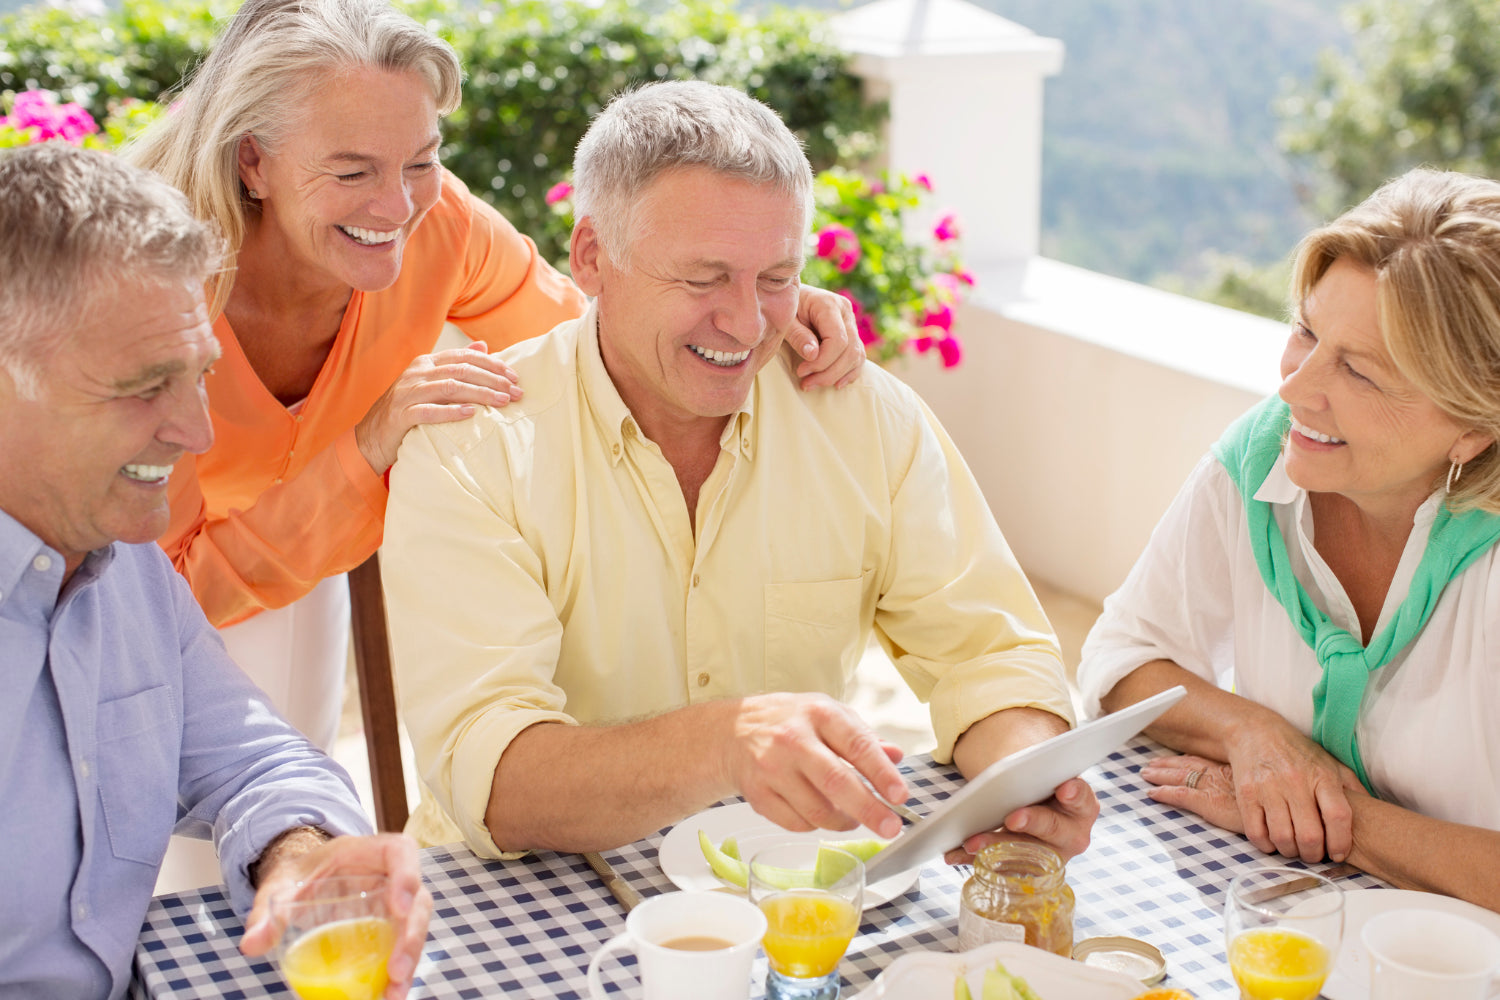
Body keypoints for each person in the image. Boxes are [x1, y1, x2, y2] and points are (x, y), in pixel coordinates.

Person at [381, 80, 1098, 864]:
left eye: (777, 277)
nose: (747, 323)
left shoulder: (865, 420)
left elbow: (991, 655)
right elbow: (493, 779)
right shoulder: (471, 446)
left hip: (780, 891)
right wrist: (724, 743)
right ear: (592, 257)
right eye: (703, 278)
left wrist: (1024, 779)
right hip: (518, 902)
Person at [124, 0, 866, 751]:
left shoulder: (442, 226)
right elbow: (161, 592)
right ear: (254, 162)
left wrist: (749, 299)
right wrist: (367, 447)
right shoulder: (148, 289)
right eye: (352, 171)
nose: (398, 206)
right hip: (108, 584)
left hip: (293, 557)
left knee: (288, 779)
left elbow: (600, 345)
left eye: (421, 162)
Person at [0, 142, 431, 999]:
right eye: (143, 387)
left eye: (198, 376)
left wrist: (299, 855)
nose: (196, 432)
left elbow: (253, 761)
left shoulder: (126, 569)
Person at [1077, 168, 1500, 911]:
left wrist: (1331, 821)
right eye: (1306, 331)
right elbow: (1122, 659)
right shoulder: (1267, 454)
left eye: (1360, 372)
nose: (1294, 389)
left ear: (1472, 425)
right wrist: (1250, 733)